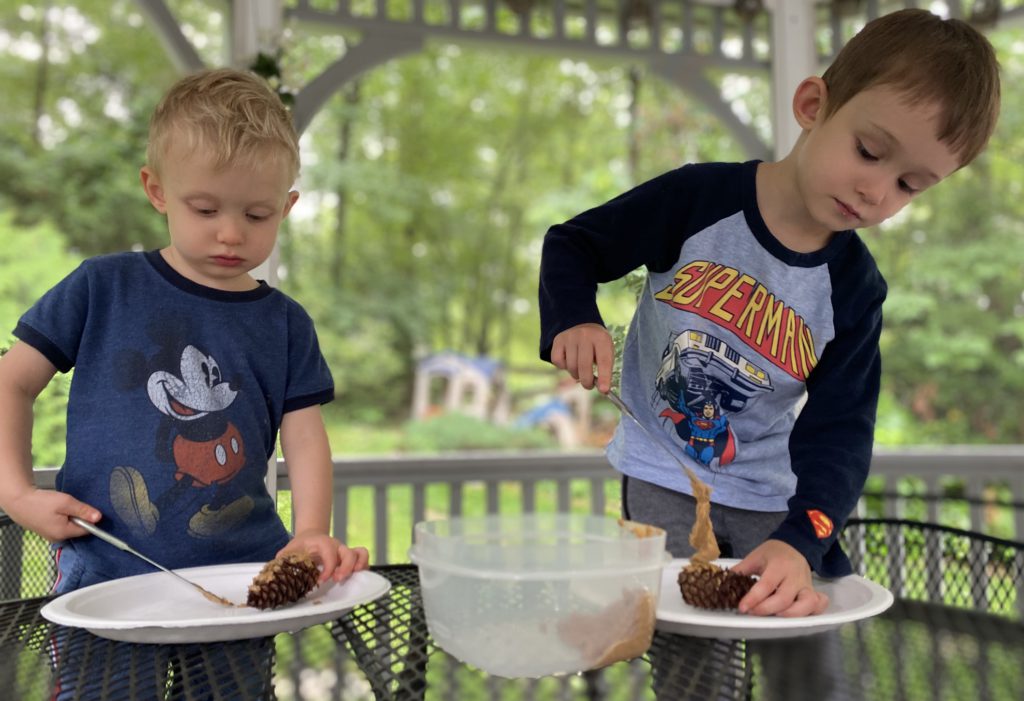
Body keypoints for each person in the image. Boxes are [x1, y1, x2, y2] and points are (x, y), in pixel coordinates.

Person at [539, 9, 1000, 618]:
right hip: (661, 473)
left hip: (774, 498)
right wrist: (575, 318)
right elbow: (574, 244)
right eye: (868, 151)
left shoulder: (856, 289)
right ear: (813, 105)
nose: (876, 191)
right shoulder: (696, 200)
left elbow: (840, 429)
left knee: (806, 659)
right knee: (691, 654)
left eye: (910, 185)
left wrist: (805, 537)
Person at [0, 68, 369, 599]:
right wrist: (16, 493)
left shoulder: (286, 323)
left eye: (258, 214)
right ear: (157, 190)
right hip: (104, 569)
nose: (231, 232)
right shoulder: (101, 286)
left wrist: (310, 530)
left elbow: (306, 437)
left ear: (286, 208)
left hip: (246, 576)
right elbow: (12, 383)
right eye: (205, 208)